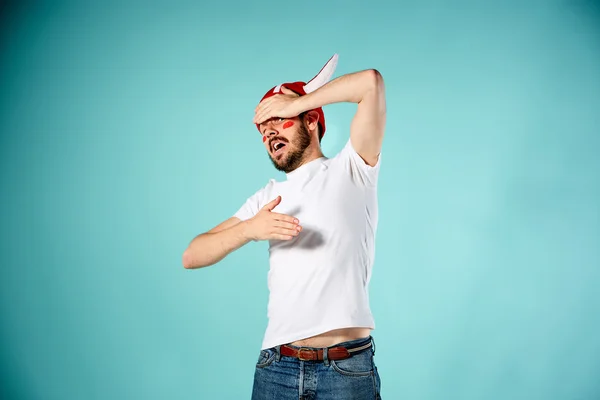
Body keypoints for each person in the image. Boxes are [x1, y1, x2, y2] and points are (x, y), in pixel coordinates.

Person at [182, 54, 386, 399]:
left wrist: (300, 100)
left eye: (278, 120)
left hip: (346, 369)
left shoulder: (352, 169)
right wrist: (249, 229)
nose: (268, 132)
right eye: (263, 129)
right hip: (277, 368)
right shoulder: (267, 197)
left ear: (310, 120)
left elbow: (370, 83)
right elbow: (192, 254)